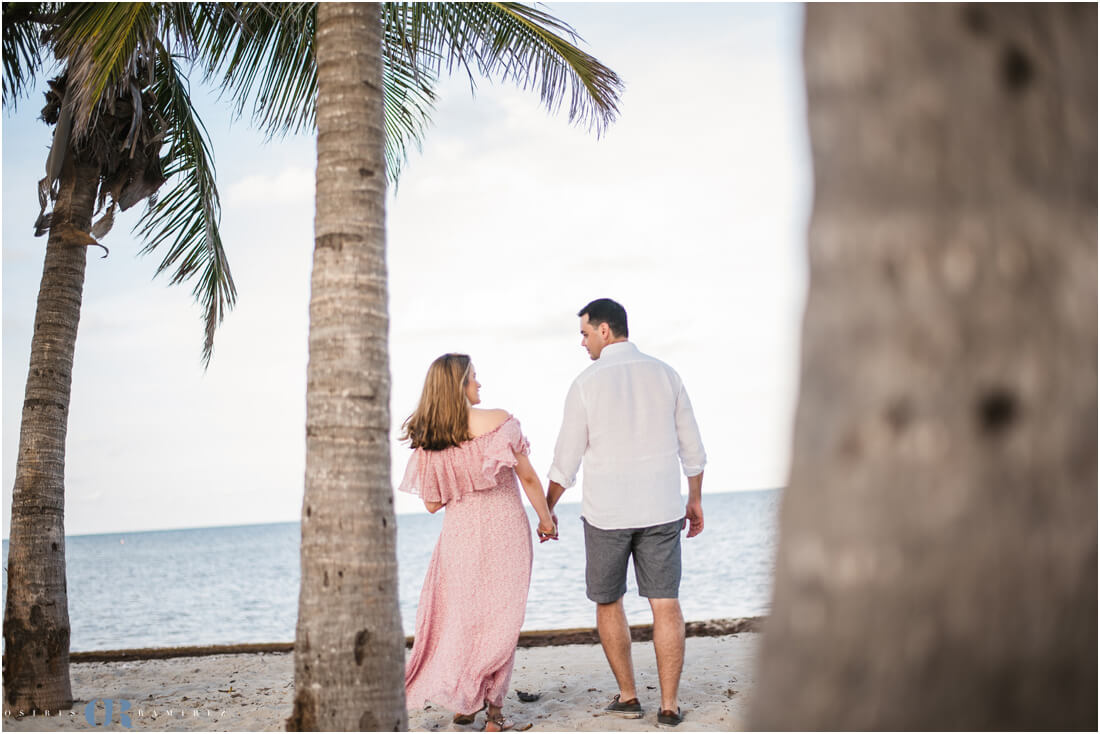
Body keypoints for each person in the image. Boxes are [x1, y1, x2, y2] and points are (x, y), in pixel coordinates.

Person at [545, 298, 706, 728]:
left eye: (584, 333)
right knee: (666, 604)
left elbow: (566, 459)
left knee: (607, 600)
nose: (581, 342)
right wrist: (695, 499)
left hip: (607, 515)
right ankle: (669, 706)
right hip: (661, 509)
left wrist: (547, 507)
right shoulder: (666, 374)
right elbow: (693, 449)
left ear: (604, 331)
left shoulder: (586, 383)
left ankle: (630, 696)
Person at [398, 353, 558, 732]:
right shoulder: (501, 423)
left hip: (460, 538)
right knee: (502, 619)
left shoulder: (432, 440)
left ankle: (465, 704)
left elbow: (433, 503)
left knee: (464, 620)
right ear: (459, 386)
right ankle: (494, 715)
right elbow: (530, 480)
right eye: (473, 378)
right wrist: (547, 520)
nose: (479, 384)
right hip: (505, 530)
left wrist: (460, 478)